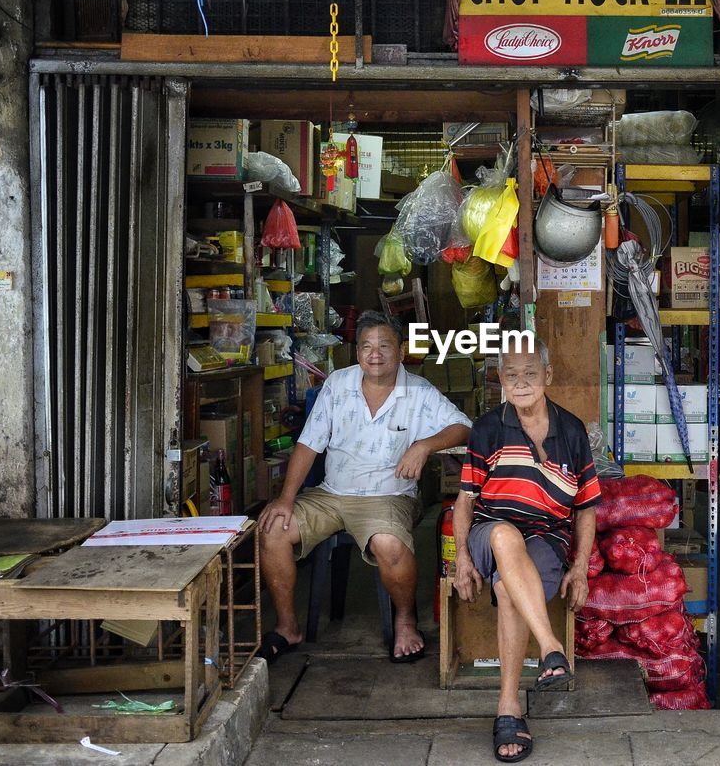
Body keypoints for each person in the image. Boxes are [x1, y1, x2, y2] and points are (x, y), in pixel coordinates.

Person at [257, 310, 471, 662]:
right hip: (331, 494)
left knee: (388, 543)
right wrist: (285, 499)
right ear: (357, 353)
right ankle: (287, 626)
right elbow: (309, 443)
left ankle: (405, 620)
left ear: (400, 351)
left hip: (388, 496)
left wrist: (423, 446)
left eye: (384, 346)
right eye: (367, 346)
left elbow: (463, 427)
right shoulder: (337, 384)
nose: (375, 354)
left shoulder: (418, 391)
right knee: (273, 529)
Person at [452, 336, 600, 763]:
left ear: (548, 376)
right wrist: (462, 556)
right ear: (501, 379)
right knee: (503, 536)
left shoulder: (571, 430)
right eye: (510, 374)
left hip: (547, 539)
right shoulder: (487, 428)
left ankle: (509, 709)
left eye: (530, 373)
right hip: (488, 535)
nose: (520, 382)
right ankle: (551, 648)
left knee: (508, 588)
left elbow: (586, 507)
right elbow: (465, 500)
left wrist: (581, 567)